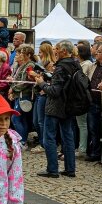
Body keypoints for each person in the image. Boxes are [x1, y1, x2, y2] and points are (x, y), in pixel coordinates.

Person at [36, 41, 80, 178]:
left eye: (57, 49)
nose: (55, 51)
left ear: (64, 51)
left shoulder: (61, 67)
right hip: (69, 106)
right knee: (68, 137)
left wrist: (41, 83)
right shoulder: (76, 64)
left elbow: (54, 91)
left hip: (56, 106)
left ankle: (52, 169)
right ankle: (70, 169)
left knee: (49, 137)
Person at [8, 44, 35, 148]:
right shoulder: (20, 66)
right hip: (18, 95)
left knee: (16, 118)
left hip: (24, 95)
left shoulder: (29, 66)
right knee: (21, 118)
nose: (17, 55)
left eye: (20, 53)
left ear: (27, 55)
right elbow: (16, 80)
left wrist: (13, 88)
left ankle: (22, 141)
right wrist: (12, 85)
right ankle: (23, 140)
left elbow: (25, 82)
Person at [31, 43, 56, 154]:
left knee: (41, 121)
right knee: (36, 121)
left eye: (40, 52)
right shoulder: (40, 63)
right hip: (38, 93)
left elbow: (49, 80)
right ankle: (42, 142)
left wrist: (35, 76)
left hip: (44, 94)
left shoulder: (50, 64)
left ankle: (43, 144)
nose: (39, 54)